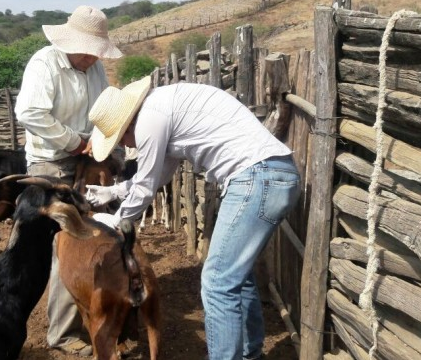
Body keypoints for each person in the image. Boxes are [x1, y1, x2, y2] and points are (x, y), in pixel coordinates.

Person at [85, 76, 301, 360]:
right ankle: (251, 354)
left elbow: (147, 185)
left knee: (216, 281)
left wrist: (116, 220)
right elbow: (158, 175)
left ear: (127, 125)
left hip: (255, 178)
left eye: (122, 138)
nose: (127, 144)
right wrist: (113, 191)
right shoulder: (164, 107)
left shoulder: (151, 117)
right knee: (237, 274)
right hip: (274, 174)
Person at [14, 5, 122, 357]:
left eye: (97, 52)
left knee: (80, 241)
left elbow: (103, 107)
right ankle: (44, 327)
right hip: (48, 161)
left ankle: (75, 324)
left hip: (84, 156)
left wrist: (94, 149)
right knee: (51, 243)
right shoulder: (45, 63)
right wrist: (73, 142)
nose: (94, 58)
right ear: (70, 42)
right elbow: (29, 112)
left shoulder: (95, 69)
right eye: (89, 51)